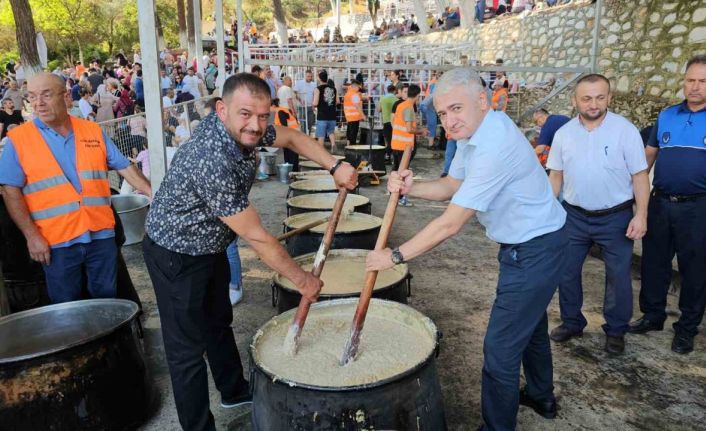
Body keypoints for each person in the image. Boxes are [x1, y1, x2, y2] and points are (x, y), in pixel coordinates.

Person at [141, 73, 357, 431]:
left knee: (217, 322)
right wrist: (303, 280)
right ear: (222, 110)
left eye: (262, 116)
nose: (255, 126)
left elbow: (290, 136)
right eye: (245, 115)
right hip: (175, 253)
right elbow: (257, 238)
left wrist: (333, 165)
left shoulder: (252, 127)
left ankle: (233, 390)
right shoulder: (212, 158)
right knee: (186, 352)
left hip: (211, 245)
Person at [366, 68, 567, 431]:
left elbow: (451, 222)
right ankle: (541, 395)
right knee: (531, 326)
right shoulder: (473, 135)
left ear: (481, 100)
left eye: (456, 109)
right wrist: (412, 187)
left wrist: (394, 256)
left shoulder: (495, 145)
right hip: (529, 244)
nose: (449, 121)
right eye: (442, 114)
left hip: (536, 249)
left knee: (500, 352)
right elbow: (451, 184)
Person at [0, 73, 151, 304]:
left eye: (46, 95)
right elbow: (11, 192)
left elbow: (124, 168)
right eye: (32, 96)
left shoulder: (91, 131)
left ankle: (106, 342)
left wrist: (155, 195)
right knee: (67, 309)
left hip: (100, 235)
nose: (38, 103)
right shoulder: (18, 140)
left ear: (66, 96)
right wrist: (32, 236)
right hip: (55, 242)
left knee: (107, 302)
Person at [546, 74, 649, 355]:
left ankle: (616, 330)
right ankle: (572, 322)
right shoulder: (563, 134)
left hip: (616, 217)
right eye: (587, 98)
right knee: (566, 271)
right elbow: (556, 176)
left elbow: (640, 176)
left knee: (618, 275)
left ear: (609, 98)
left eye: (600, 97)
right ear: (575, 100)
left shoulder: (625, 131)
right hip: (574, 216)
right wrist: (547, 211)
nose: (594, 104)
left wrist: (641, 216)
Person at [629, 55, 706, 354]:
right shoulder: (667, 115)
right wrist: (634, 198)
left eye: (702, 81)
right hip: (661, 203)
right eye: (690, 80)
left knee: (695, 270)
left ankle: (687, 328)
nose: (695, 87)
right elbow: (646, 160)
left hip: (698, 209)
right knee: (654, 263)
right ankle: (652, 315)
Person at [390, 83, 426, 206]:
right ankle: (400, 197)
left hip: (397, 144)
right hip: (404, 147)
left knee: (396, 170)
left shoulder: (401, 105)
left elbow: (397, 123)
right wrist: (422, 131)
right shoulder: (409, 108)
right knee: (402, 173)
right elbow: (410, 129)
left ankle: (394, 194)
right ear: (417, 96)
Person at [312, 70, 338, 150]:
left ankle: (321, 151)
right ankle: (333, 145)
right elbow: (337, 101)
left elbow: (315, 103)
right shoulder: (334, 89)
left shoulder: (318, 89)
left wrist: (313, 105)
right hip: (332, 115)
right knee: (331, 132)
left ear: (319, 79)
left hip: (322, 115)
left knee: (321, 135)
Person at [273, 98, 300, 171]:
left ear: (272, 106)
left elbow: (284, 126)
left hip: (291, 136)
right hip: (294, 134)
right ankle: (293, 171)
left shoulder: (280, 112)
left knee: (291, 155)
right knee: (292, 154)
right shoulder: (283, 110)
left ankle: (291, 171)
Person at [378, 84, 398, 163]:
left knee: (388, 140)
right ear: (394, 91)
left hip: (386, 122)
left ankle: (387, 156)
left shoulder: (382, 98)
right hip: (395, 122)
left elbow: (378, 109)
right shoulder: (396, 99)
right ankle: (390, 156)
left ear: (387, 90)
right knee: (393, 141)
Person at [294, 70, 317, 135]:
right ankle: (304, 136)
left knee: (310, 121)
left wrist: (314, 104)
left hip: (310, 106)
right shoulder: (299, 83)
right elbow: (295, 92)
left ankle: (308, 134)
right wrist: (300, 100)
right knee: (303, 123)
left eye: (311, 76)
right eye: (308, 76)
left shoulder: (314, 84)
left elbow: (315, 94)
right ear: (305, 76)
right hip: (302, 106)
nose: (309, 78)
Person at [343, 79, 365, 146]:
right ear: (355, 86)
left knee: (349, 134)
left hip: (349, 117)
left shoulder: (348, 93)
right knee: (353, 135)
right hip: (354, 117)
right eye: (359, 87)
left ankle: (348, 147)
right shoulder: (354, 95)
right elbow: (358, 106)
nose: (359, 89)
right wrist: (363, 115)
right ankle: (352, 149)